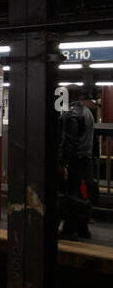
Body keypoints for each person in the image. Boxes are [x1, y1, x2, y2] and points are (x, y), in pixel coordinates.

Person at [60, 89, 97, 240]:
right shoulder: (88, 112)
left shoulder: (72, 113)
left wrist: (63, 162)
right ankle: (83, 229)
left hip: (75, 159)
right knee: (79, 193)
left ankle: (70, 230)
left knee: (71, 194)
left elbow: (70, 140)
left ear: (70, 95)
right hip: (86, 157)